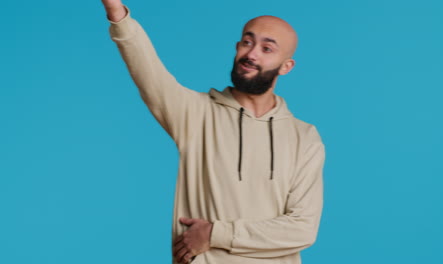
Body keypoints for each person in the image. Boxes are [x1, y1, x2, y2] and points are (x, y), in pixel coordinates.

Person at [101, 1, 326, 263]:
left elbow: (302, 229)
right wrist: (116, 11)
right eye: (247, 42)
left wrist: (214, 233)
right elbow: (147, 70)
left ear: (286, 66)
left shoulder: (304, 137)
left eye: (267, 49)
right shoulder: (195, 114)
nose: (251, 54)